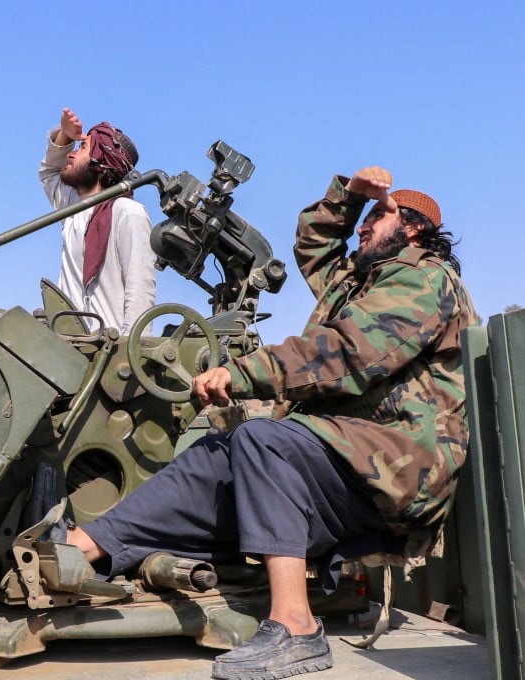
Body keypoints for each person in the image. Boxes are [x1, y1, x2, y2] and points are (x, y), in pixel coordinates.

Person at [62, 166, 479, 679]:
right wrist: (347, 199)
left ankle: (296, 625)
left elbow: (349, 353)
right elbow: (315, 246)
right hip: (348, 460)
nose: (365, 228)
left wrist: (244, 374)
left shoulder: (425, 278)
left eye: (378, 217)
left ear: (412, 228)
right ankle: (88, 544)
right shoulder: (359, 282)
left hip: (398, 467)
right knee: (217, 455)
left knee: (264, 440)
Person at [39, 107, 156, 334]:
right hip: (69, 347)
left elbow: (140, 289)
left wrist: (130, 353)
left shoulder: (128, 213)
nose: (71, 154)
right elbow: (50, 173)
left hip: (108, 352)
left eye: (82, 147)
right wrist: (65, 136)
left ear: (100, 162)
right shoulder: (72, 207)